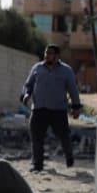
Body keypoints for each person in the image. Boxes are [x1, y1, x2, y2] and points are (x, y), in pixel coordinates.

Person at [21, 44, 83, 172]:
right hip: (38, 109)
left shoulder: (66, 71)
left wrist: (76, 106)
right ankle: (37, 165)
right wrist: (26, 95)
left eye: (50, 53)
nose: (47, 55)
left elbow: (73, 90)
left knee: (64, 136)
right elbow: (28, 84)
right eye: (46, 53)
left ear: (57, 56)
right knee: (36, 138)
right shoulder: (37, 68)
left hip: (58, 111)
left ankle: (69, 157)